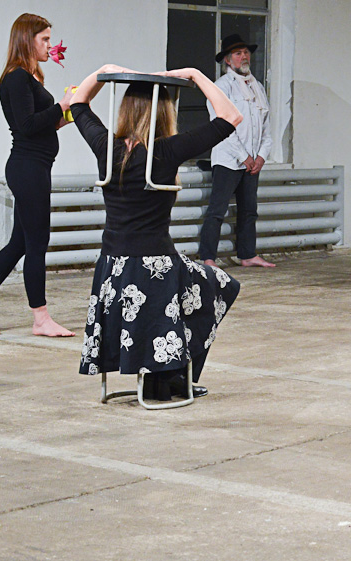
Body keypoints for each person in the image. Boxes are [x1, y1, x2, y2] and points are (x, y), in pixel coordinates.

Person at [69, 64, 243, 401]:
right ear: (163, 112)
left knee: (198, 284)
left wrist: (104, 70)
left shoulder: (106, 145)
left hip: (112, 268)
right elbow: (231, 116)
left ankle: (169, 376)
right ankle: (173, 375)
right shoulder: (165, 151)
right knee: (221, 284)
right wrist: (195, 75)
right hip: (157, 268)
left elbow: (77, 102)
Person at [0, 13, 75, 337]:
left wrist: (69, 112)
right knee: (37, 241)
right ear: (28, 40)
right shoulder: (16, 78)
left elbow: (43, 124)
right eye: (45, 39)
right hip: (27, 168)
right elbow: (26, 126)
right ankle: (40, 318)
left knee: (20, 243)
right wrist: (60, 105)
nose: (50, 46)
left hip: (35, 166)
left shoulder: (29, 77)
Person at [198, 34, 275, 268]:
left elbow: (266, 126)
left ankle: (247, 254)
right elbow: (221, 125)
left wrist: (261, 156)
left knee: (249, 210)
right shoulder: (221, 87)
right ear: (228, 60)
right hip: (228, 159)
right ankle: (208, 257)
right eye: (238, 53)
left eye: (246, 52)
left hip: (252, 162)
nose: (244, 57)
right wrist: (244, 156)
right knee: (217, 210)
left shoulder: (257, 87)